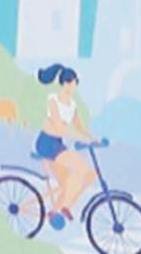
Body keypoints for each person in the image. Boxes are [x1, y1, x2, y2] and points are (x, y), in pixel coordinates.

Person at [36, 64, 96, 230]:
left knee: (88, 175)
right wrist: (81, 139)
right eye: (70, 82)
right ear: (64, 83)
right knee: (80, 168)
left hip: (58, 144)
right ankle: (64, 208)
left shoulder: (73, 105)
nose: (73, 86)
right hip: (47, 143)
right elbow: (59, 127)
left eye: (75, 82)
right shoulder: (53, 100)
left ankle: (57, 211)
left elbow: (79, 126)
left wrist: (93, 139)